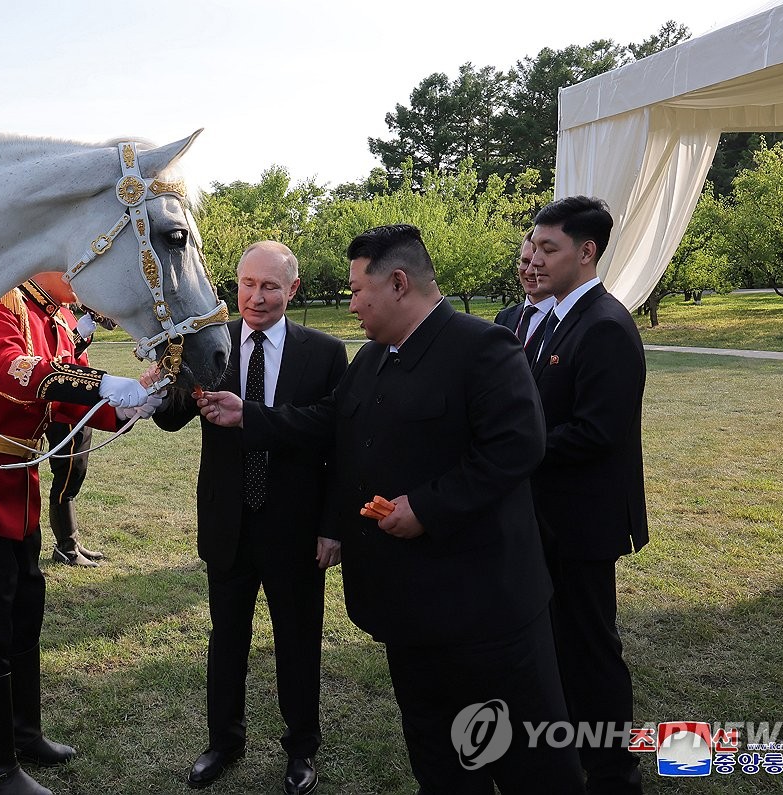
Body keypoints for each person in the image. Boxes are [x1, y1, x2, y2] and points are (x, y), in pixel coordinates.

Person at [198, 225, 584, 794]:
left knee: (529, 763)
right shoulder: (375, 358)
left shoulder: (483, 348)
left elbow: (516, 447)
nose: (350, 305)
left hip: (485, 612)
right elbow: (328, 422)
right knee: (437, 753)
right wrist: (249, 415)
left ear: (398, 283)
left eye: (357, 291)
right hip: (410, 609)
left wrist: (427, 507)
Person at [0, 273, 162, 795]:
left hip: (14, 485)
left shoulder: (54, 318)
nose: (80, 275)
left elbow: (67, 398)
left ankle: (23, 736)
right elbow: (10, 371)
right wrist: (101, 383)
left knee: (24, 616)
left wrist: (139, 397)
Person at [153, 241, 347, 794]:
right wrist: (163, 381)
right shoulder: (212, 345)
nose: (255, 297)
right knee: (227, 637)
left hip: (296, 528)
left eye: (269, 286)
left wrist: (332, 526)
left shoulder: (326, 353)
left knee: (298, 640)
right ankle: (223, 741)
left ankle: (301, 748)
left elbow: (332, 434)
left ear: (293, 289)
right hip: (228, 524)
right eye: (246, 285)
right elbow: (171, 418)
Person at [526, 196, 648, 794]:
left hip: (582, 522)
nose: (536, 259)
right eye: (534, 246)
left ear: (587, 252)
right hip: (546, 517)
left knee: (591, 650)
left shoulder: (604, 326)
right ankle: (574, 749)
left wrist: (514, 445)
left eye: (549, 249)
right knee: (557, 642)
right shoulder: (552, 317)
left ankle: (613, 773)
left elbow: (598, 432)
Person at [45, 301, 114, 568]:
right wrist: (79, 335)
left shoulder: (63, 312)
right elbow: (55, 360)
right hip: (65, 406)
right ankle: (66, 546)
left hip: (81, 402)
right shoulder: (52, 313)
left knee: (76, 473)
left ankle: (70, 540)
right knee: (68, 473)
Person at [494, 230, 555, 364]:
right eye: (525, 261)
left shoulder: (564, 320)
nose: (529, 271)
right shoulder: (503, 318)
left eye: (537, 264)